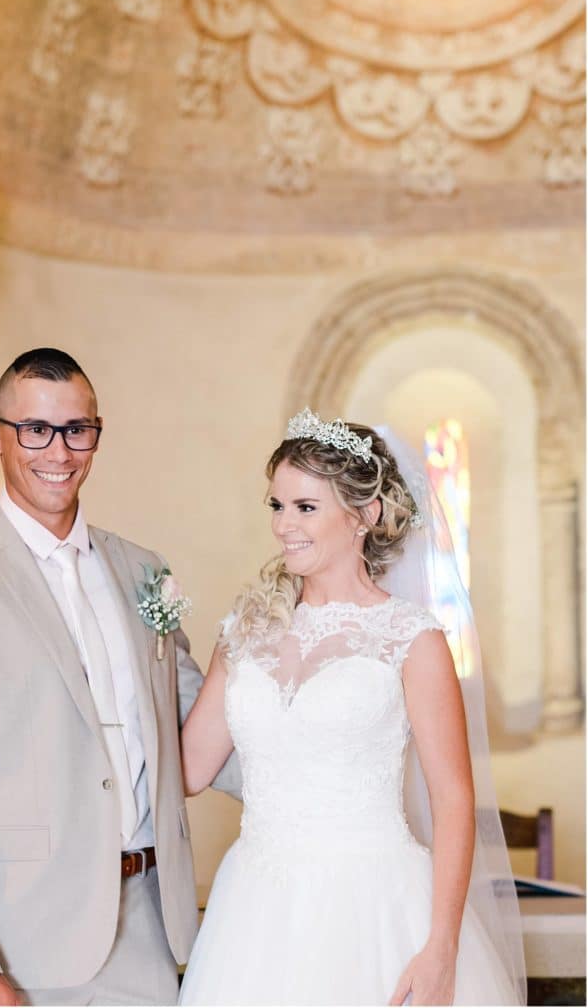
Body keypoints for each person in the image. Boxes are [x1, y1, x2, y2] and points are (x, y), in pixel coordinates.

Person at [0, 348, 240, 1006]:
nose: (57, 451)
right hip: (17, 943)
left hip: (152, 927)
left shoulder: (151, 572)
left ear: (95, 434)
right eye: (35, 429)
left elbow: (199, 720)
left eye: (76, 429)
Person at [179, 409, 525, 1006]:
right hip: (256, 911)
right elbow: (187, 770)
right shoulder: (244, 632)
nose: (284, 525)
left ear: (363, 515)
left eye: (305, 507)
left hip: (374, 906)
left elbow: (453, 800)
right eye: (277, 506)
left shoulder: (412, 639)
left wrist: (441, 947)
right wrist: (143, 656)